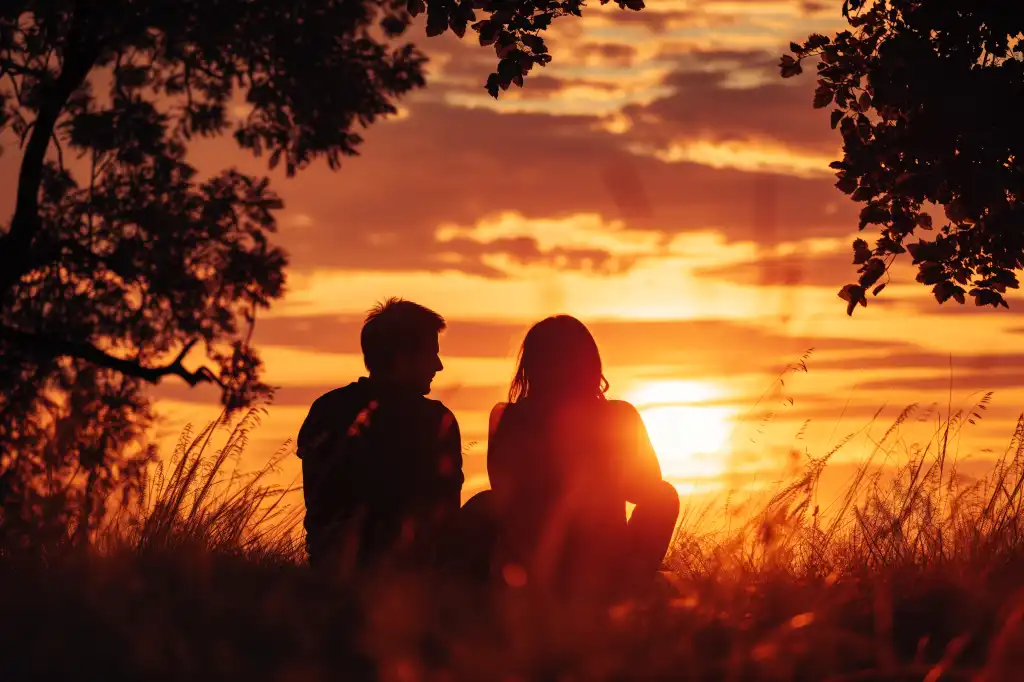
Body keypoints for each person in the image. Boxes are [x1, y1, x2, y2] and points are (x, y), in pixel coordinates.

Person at [462, 315, 679, 601]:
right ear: (589, 364)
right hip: (603, 560)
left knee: (482, 503)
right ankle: (628, 590)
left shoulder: (506, 417)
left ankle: (480, 596)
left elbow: (503, 491)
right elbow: (646, 486)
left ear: (531, 366)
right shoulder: (619, 415)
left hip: (531, 562)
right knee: (663, 495)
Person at [296, 298, 464, 574]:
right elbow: (447, 512)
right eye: (431, 353)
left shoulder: (326, 408)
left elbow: (317, 507)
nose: (438, 365)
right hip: (411, 569)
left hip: (333, 564)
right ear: (401, 357)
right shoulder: (436, 420)